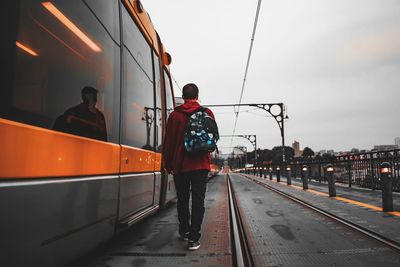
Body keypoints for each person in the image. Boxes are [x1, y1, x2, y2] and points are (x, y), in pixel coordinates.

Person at [162, 83, 217, 251]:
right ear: (197, 96)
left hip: (181, 165)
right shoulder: (207, 113)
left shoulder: (175, 115)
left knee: (183, 199)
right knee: (198, 200)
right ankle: (194, 238)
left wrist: (168, 164)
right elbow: (212, 138)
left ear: (183, 96)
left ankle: (184, 230)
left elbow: (168, 142)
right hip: (200, 164)